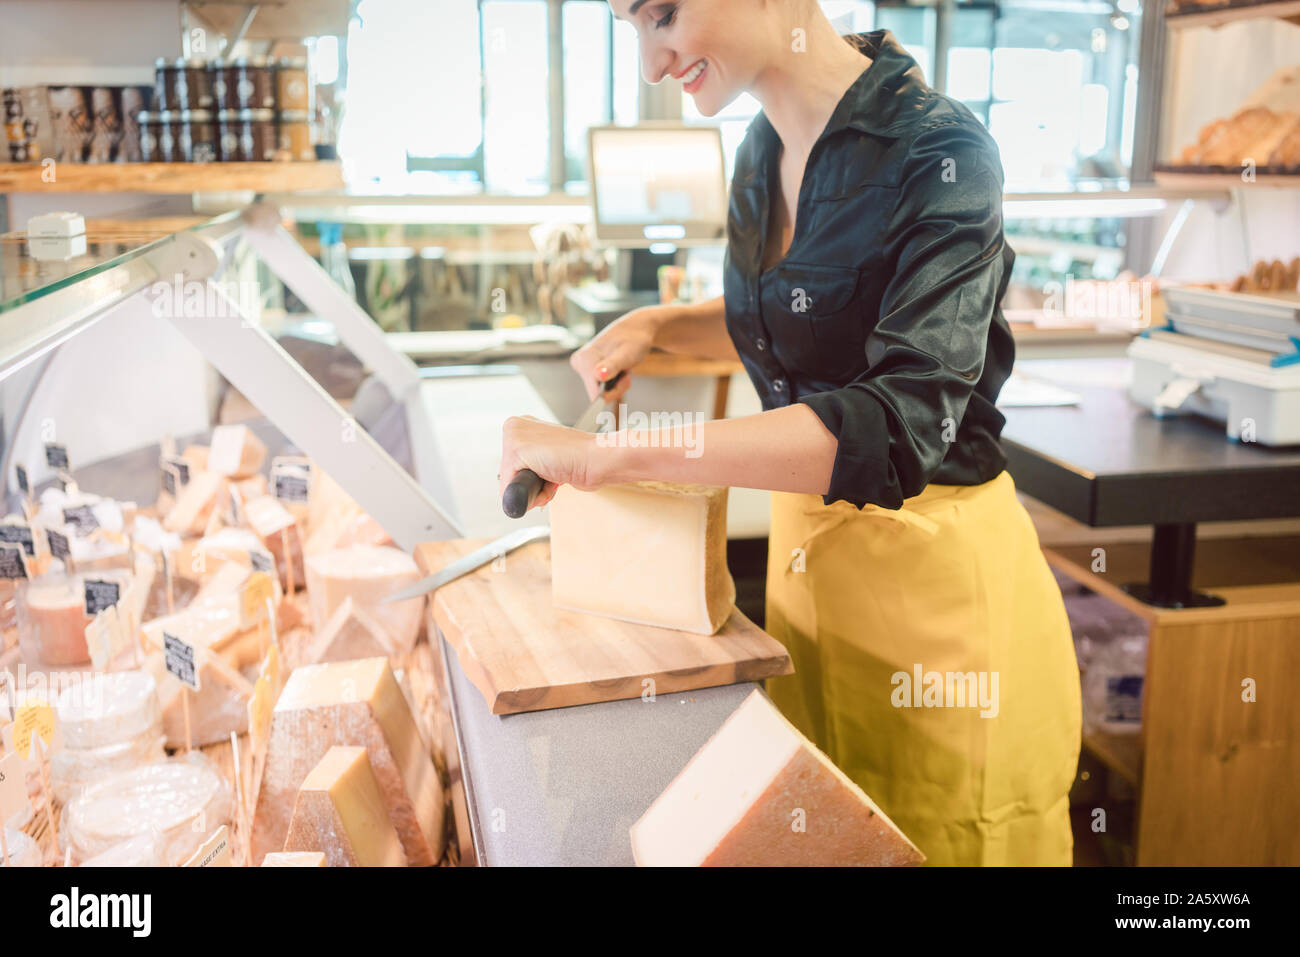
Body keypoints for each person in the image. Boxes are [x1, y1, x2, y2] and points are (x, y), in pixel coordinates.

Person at [498, 0, 1081, 866]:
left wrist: (604, 456)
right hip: (810, 583)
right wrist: (663, 324)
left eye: (662, 15)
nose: (653, 62)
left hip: (939, 610)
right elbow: (795, 323)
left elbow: (894, 424)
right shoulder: (761, 149)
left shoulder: (942, 152)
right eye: (632, 28)